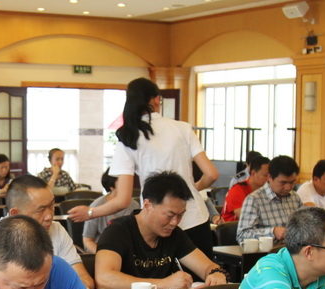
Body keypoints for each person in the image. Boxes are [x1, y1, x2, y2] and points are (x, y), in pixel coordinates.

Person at [67, 78, 219, 259]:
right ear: (155, 99)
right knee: (205, 274)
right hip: (194, 218)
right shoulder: (183, 129)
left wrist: (90, 212)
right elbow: (211, 174)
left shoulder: (129, 137)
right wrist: (191, 189)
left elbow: (122, 200)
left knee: (163, 277)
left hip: (156, 222)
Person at [95, 171, 228, 289]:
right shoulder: (117, 231)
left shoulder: (174, 234)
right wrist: (163, 284)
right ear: (147, 205)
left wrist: (216, 274)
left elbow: (207, 267)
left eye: (180, 215)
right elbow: (104, 280)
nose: (174, 222)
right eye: (169, 215)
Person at [0, 175, 95, 289]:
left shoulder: (56, 230)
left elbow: (84, 279)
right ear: (15, 214)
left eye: (51, 206)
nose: (49, 216)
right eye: (41, 210)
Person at [236, 155, 303, 243]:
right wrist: (273, 232)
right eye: (283, 183)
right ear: (269, 177)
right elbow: (242, 235)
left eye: (292, 182)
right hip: (268, 250)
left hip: (294, 249)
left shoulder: (295, 197)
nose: (288, 187)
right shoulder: (254, 200)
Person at [81, 168, 139, 253]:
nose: (129, 184)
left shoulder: (135, 205)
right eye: (123, 181)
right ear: (111, 186)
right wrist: (104, 254)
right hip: (102, 251)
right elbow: (87, 241)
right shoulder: (97, 206)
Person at [221, 155, 270, 222]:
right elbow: (246, 218)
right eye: (266, 175)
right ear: (253, 173)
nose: (269, 179)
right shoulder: (237, 190)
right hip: (235, 227)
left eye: (271, 176)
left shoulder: (266, 190)